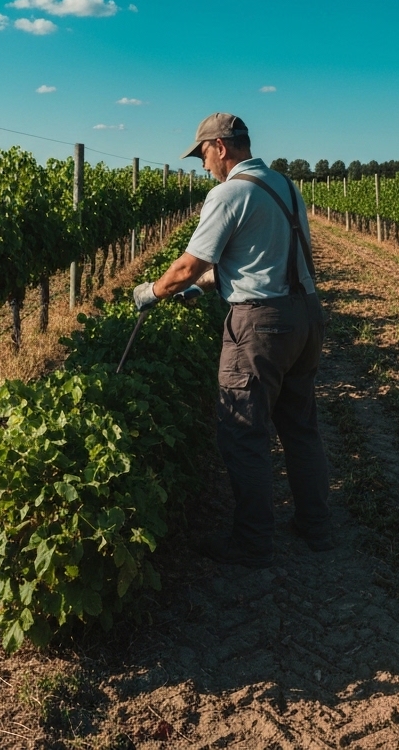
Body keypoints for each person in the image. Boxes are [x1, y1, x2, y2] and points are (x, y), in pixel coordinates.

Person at [132, 112, 333, 568]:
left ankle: (253, 542)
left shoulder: (229, 193)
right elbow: (256, 258)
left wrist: (154, 291)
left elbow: (188, 265)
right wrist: (200, 287)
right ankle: (316, 525)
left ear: (221, 147)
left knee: (243, 431)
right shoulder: (284, 185)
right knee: (300, 427)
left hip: (259, 326)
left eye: (203, 154)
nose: (202, 165)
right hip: (305, 315)